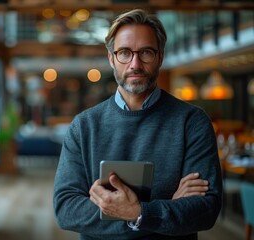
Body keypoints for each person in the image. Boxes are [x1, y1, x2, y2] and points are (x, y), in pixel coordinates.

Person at [53, 8, 222, 240]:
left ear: (160, 57)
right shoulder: (83, 126)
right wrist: (150, 214)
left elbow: (205, 211)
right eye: (124, 52)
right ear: (111, 58)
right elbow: (66, 210)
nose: (135, 63)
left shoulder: (192, 122)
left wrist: (135, 212)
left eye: (146, 53)